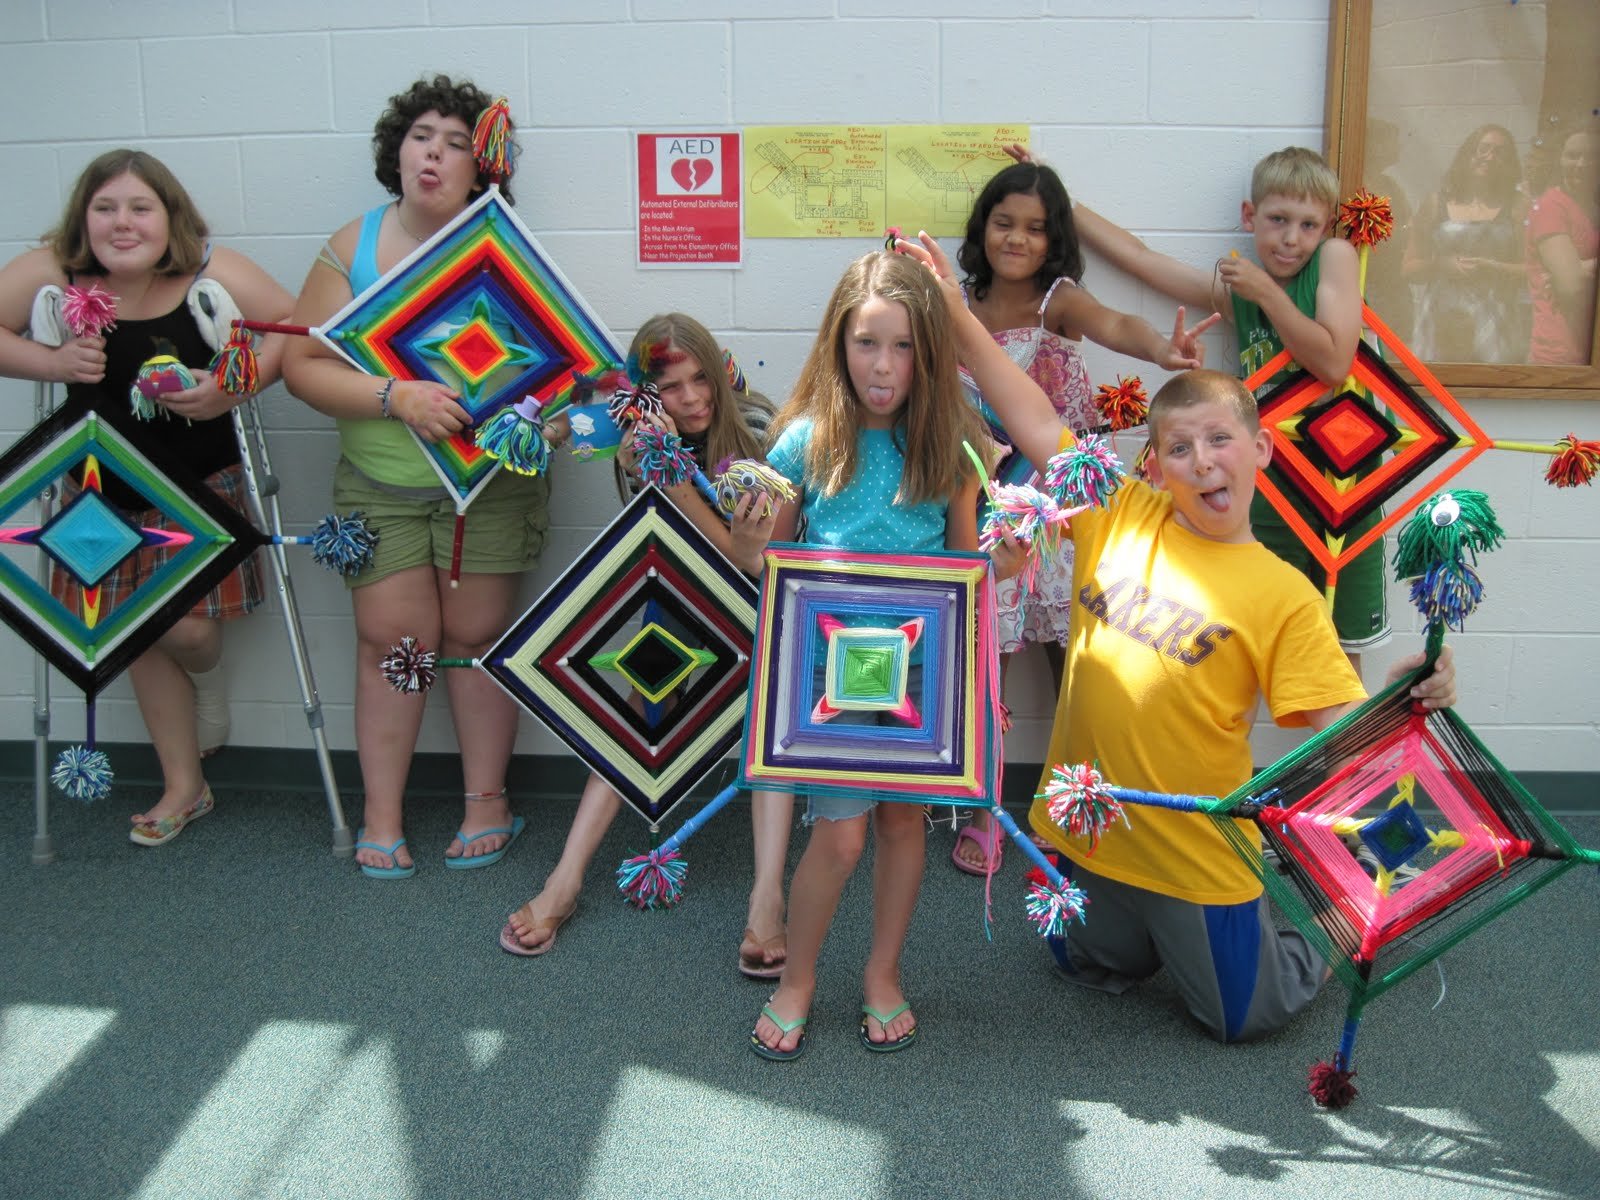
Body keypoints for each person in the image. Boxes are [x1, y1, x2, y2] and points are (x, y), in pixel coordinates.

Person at [904, 228, 1458, 1040]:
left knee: (1245, 1017)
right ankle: (1152, 937)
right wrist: (954, 309)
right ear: (1155, 464)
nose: (1202, 462)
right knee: (1077, 960)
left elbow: (1334, 727)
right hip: (1089, 828)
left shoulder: (1283, 594)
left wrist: (1404, 699)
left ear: (1261, 449)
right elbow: (1030, 414)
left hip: (1190, 850)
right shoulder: (1117, 509)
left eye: (1220, 440)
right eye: (1179, 448)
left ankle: (1332, 911)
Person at [747, 248, 1040, 1061]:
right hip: (830, 677)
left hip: (923, 671)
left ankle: (883, 973)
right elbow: (767, 564)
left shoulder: (955, 442)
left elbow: (966, 568)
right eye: (867, 342)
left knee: (906, 823)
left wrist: (1003, 564)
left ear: (930, 352)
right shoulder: (804, 442)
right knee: (840, 837)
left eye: (904, 345)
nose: (883, 364)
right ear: (839, 342)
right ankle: (797, 979)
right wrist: (744, 529)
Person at [283, 75, 550, 878]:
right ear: (395, 152)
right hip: (381, 487)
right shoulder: (353, 247)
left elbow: (551, 365)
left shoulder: (505, 249)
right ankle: (383, 815)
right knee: (394, 645)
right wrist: (394, 396)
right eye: (420, 136)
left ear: (483, 165)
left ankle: (486, 802)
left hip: (485, 488)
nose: (434, 154)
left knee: (473, 641)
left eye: (456, 142)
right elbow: (301, 367)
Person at [0, 149, 293, 845]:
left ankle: (207, 684)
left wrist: (231, 385)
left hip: (200, 489)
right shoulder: (56, 273)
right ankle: (184, 785)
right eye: (104, 208)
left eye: (140, 208)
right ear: (83, 219)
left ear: (170, 217)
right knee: (132, 630)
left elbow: (293, 329)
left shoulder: (210, 272)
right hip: (98, 493)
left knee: (184, 630)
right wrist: (51, 361)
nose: (122, 223)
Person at [499, 313, 793, 973]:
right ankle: (565, 879)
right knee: (638, 707)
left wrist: (682, 490)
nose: (691, 398)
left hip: (767, 603)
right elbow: (676, 546)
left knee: (772, 717)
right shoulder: (642, 438)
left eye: (700, 379)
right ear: (646, 394)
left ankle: (768, 896)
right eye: (671, 387)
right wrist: (564, 430)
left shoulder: (763, 430)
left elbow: (750, 558)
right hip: (686, 600)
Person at [950, 160, 1215, 877]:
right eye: (1004, 222)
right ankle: (986, 810)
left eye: (1036, 229)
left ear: (1054, 239)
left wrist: (1161, 349)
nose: (1017, 239)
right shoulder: (955, 302)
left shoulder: (1057, 301)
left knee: (1080, 662)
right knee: (988, 661)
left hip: (1065, 506)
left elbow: (1116, 323)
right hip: (985, 503)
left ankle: (1076, 805)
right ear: (982, 226)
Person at [1069, 147, 1388, 670]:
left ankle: (1341, 731)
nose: (1291, 238)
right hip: (1271, 481)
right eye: (1278, 220)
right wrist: (1065, 204)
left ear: (1327, 226)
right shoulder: (1241, 290)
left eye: (1308, 224)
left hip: (1343, 478)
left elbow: (1334, 362)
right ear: (1249, 216)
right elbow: (1143, 259)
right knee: (1266, 630)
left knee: (1337, 645)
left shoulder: (1333, 257)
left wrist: (1267, 294)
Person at [1403, 124, 1530, 363]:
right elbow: (1408, 269)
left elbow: (1533, 271)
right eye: (1483, 149)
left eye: (1500, 153)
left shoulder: (1517, 206)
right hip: (1440, 322)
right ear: (1467, 153)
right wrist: (1441, 265)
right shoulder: (1435, 204)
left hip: (1496, 322)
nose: (1490, 157)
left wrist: (1493, 268)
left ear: (1510, 163)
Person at [1526, 124, 1600, 365]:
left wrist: (1585, 266)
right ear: (1559, 159)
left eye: (1591, 156)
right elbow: (1572, 285)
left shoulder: (1592, 207)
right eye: (1572, 155)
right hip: (1560, 355)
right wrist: (1577, 272)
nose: (1582, 164)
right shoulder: (1552, 207)